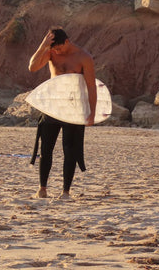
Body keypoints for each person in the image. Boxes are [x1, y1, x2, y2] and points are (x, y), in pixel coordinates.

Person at [28, 27, 97, 200]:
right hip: (52, 106)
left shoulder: (84, 57)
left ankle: (65, 192)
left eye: (58, 48)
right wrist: (43, 46)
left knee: (70, 150)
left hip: (73, 108)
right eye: (54, 48)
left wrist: (92, 113)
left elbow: (91, 86)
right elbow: (32, 67)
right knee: (46, 149)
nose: (56, 51)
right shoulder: (50, 52)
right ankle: (42, 188)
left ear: (67, 41)